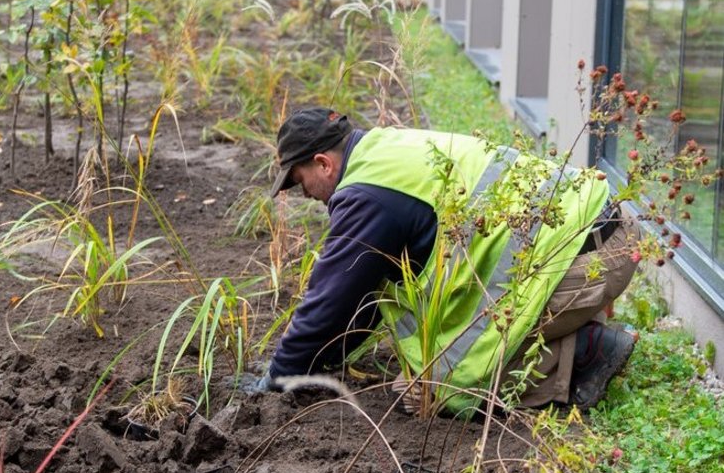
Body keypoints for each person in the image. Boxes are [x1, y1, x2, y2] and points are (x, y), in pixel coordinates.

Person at [250, 107, 640, 414]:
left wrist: (279, 377)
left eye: (299, 182)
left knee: (426, 393)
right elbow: (361, 298)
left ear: (323, 163)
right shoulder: (384, 149)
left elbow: (330, 300)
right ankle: (574, 319)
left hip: (589, 260)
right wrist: (319, 360)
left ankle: (585, 350)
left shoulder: (365, 197)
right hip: (601, 233)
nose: (305, 195)